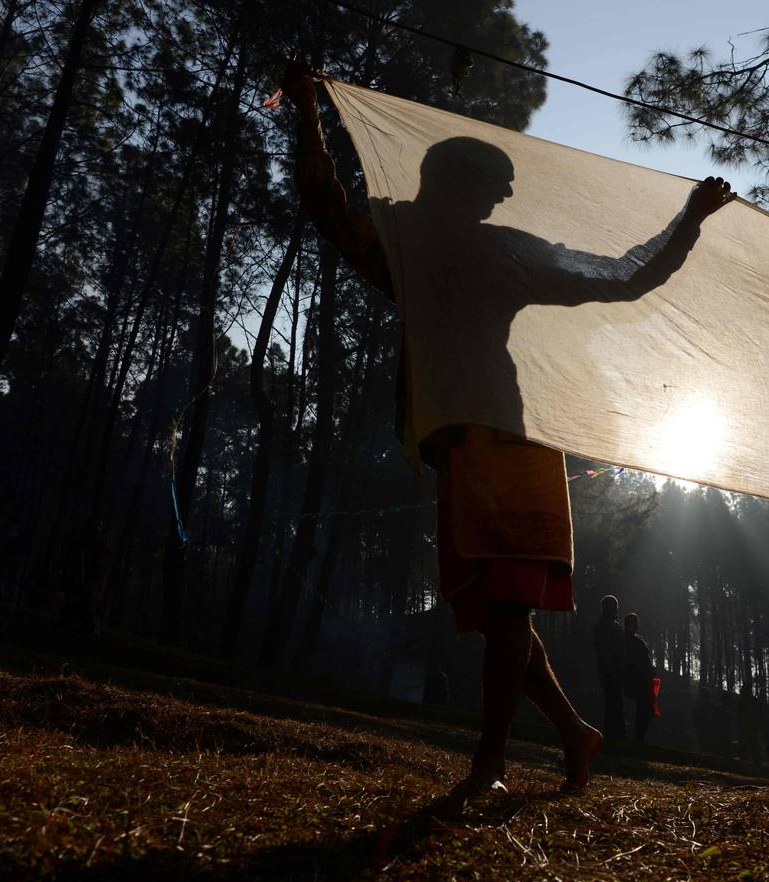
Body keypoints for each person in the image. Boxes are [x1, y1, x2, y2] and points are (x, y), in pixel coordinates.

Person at [280, 62, 734, 793]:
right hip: (460, 442)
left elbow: (621, 275)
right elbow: (324, 203)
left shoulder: (455, 245)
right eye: (495, 187)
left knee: (509, 605)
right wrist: (307, 113)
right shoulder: (413, 242)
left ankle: (490, 761)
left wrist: (688, 220)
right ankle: (575, 732)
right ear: (460, 184)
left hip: (512, 442)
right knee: (498, 616)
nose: (506, 198)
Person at [593, 594, 627, 740]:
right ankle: (615, 735)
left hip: (610, 670)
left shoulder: (605, 626)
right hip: (612, 671)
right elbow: (611, 651)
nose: (615, 610)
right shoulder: (608, 627)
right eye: (614, 607)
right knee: (614, 703)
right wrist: (617, 668)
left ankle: (614, 734)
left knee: (614, 703)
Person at [622, 611, 656, 743]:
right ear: (627, 624)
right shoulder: (625, 640)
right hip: (636, 680)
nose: (637, 625)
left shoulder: (637, 641)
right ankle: (638, 738)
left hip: (643, 680)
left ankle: (639, 737)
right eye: (634, 623)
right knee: (643, 709)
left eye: (637, 623)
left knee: (646, 710)